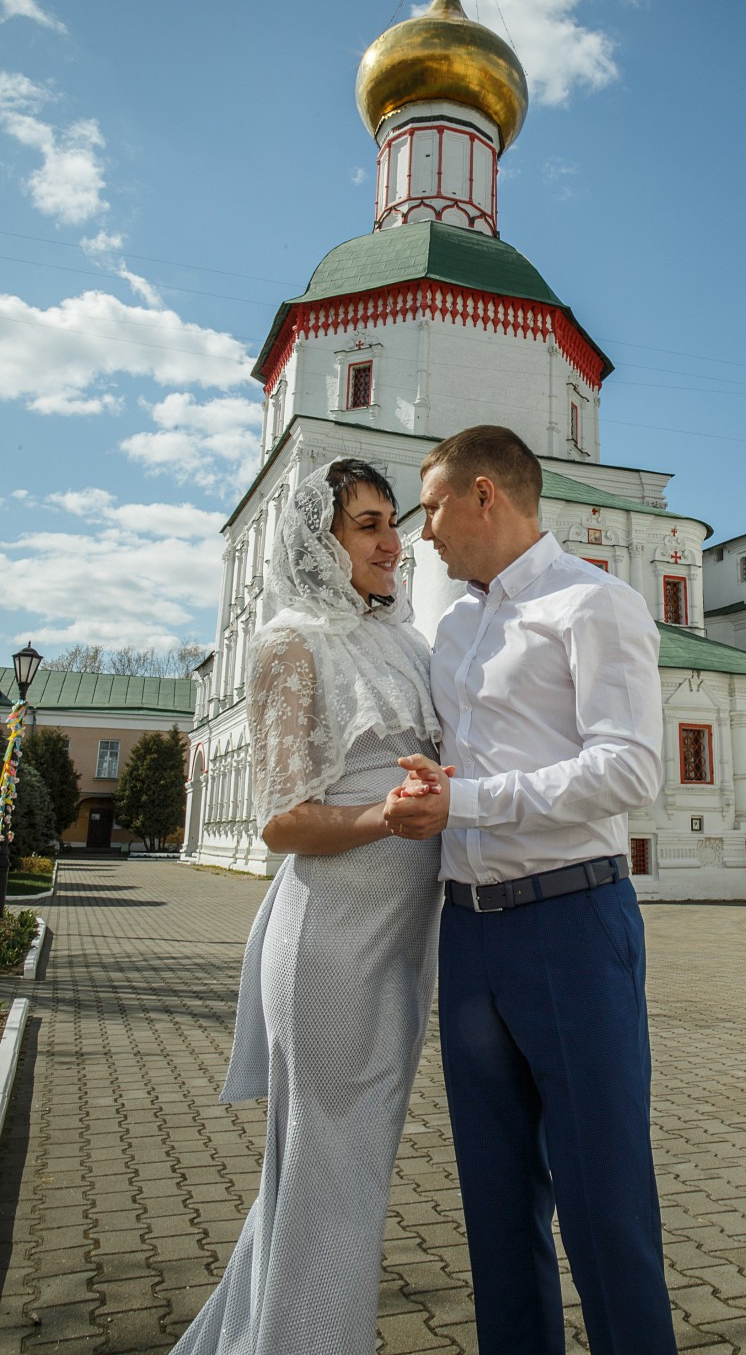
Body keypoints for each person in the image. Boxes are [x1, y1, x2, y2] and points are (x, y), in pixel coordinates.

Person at [384, 425, 678, 1355]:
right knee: (496, 1200)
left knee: (603, 1196)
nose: (420, 532)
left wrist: (463, 800)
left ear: (483, 495)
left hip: (570, 921)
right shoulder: (456, 628)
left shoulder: (595, 603)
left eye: (427, 508)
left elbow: (629, 772)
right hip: (467, 937)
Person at [173, 458, 444, 1355]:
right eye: (365, 524)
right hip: (329, 946)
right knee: (334, 1180)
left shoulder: (404, 644)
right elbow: (281, 821)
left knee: (324, 1179)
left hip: (399, 947)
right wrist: (387, 814)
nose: (390, 541)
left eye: (390, 522)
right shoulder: (292, 640)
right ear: (317, 542)